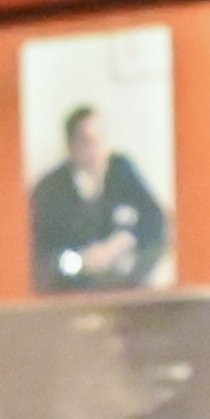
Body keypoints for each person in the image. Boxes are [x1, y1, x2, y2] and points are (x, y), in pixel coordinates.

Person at [29, 104, 166, 290]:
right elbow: (41, 252)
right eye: (88, 142)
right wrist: (81, 261)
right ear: (71, 146)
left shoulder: (121, 169)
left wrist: (121, 242)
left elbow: (155, 217)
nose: (97, 149)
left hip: (125, 282)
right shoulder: (50, 189)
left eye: (101, 139)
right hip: (73, 289)